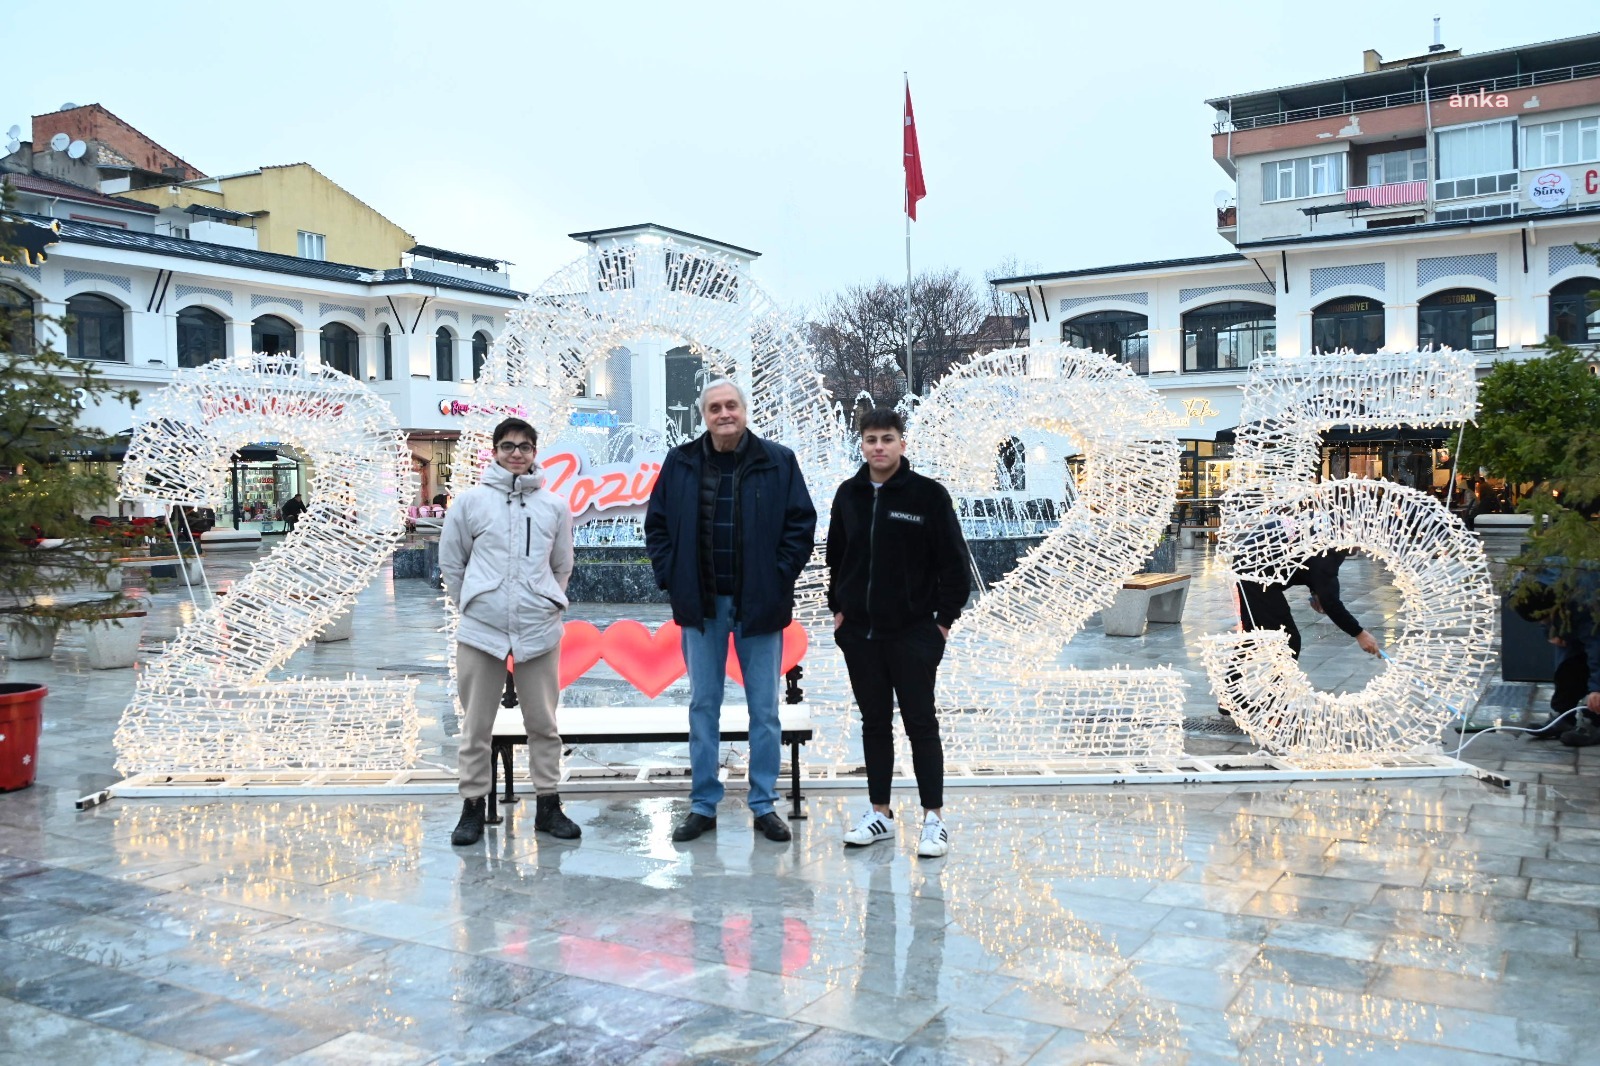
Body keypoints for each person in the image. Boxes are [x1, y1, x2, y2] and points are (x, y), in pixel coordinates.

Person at [644, 378, 816, 843]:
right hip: (702, 604)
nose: (724, 414)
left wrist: (777, 575)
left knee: (764, 709)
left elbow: (801, 525)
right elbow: (656, 525)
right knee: (704, 706)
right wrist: (670, 575)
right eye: (715, 407)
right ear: (705, 415)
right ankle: (703, 803)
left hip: (759, 602)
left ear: (744, 410)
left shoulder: (777, 461)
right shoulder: (680, 463)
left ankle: (763, 804)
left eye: (732, 406)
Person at [826, 408, 969, 858]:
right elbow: (837, 557)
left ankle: (933, 819)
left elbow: (954, 565)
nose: (879, 447)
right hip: (861, 635)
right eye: (871, 439)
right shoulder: (848, 495)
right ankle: (880, 813)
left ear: (902, 444)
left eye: (887, 438)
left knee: (921, 723)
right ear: (862, 445)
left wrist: (941, 624)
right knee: (874, 724)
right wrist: (839, 611)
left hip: (913, 633)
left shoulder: (927, 495)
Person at [438, 416, 579, 846]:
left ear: (535, 453)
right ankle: (472, 808)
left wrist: (545, 599)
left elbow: (562, 566)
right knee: (476, 726)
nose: (516, 453)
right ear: (495, 451)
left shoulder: (553, 506)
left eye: (524, 446)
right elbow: (451, 562)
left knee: (544, 724)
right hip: (482, 630)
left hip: (538, 629)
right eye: (507, 446)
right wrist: (475, 601)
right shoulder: (470, 503)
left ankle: (549, 805)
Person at [1237, 548, 1380, 660]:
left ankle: (1232, 690)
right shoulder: (1327, 552)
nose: (1362, 548)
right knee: (1288, 640)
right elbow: (1331, 603)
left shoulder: (1325, 537)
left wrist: (1315, 591)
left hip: (1247, 563)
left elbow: (1310, 565)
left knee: (1253, 632)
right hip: (1256, 573)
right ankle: (1276, 694)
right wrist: (1360, 634)